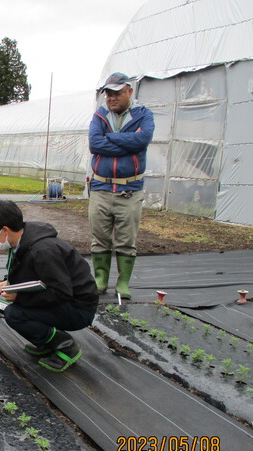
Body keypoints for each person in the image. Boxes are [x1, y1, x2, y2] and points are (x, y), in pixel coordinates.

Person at [0, 200, 99, 373]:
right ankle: (47, 341)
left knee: (14, 314)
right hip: (55, 299)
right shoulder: (22, 241)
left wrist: (19, 296)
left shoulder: (43, 250)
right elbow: (33, 274)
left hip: (77, 308)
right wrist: (9, 282)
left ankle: (66, 346)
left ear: (5, 230)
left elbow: (61, 292)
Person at [88, 72, 155, 299]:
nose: (111, 98)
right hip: (101, 187)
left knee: (127, 240)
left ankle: (123, 283)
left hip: (129, 189)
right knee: (100, 237)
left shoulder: (143, 115)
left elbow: (142, 140)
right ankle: (100, 280)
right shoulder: (100, 115)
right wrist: (127, 143)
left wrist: (111, 138)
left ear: (129, 91)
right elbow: (95, 143)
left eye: (116, 93)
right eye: (108, 93)